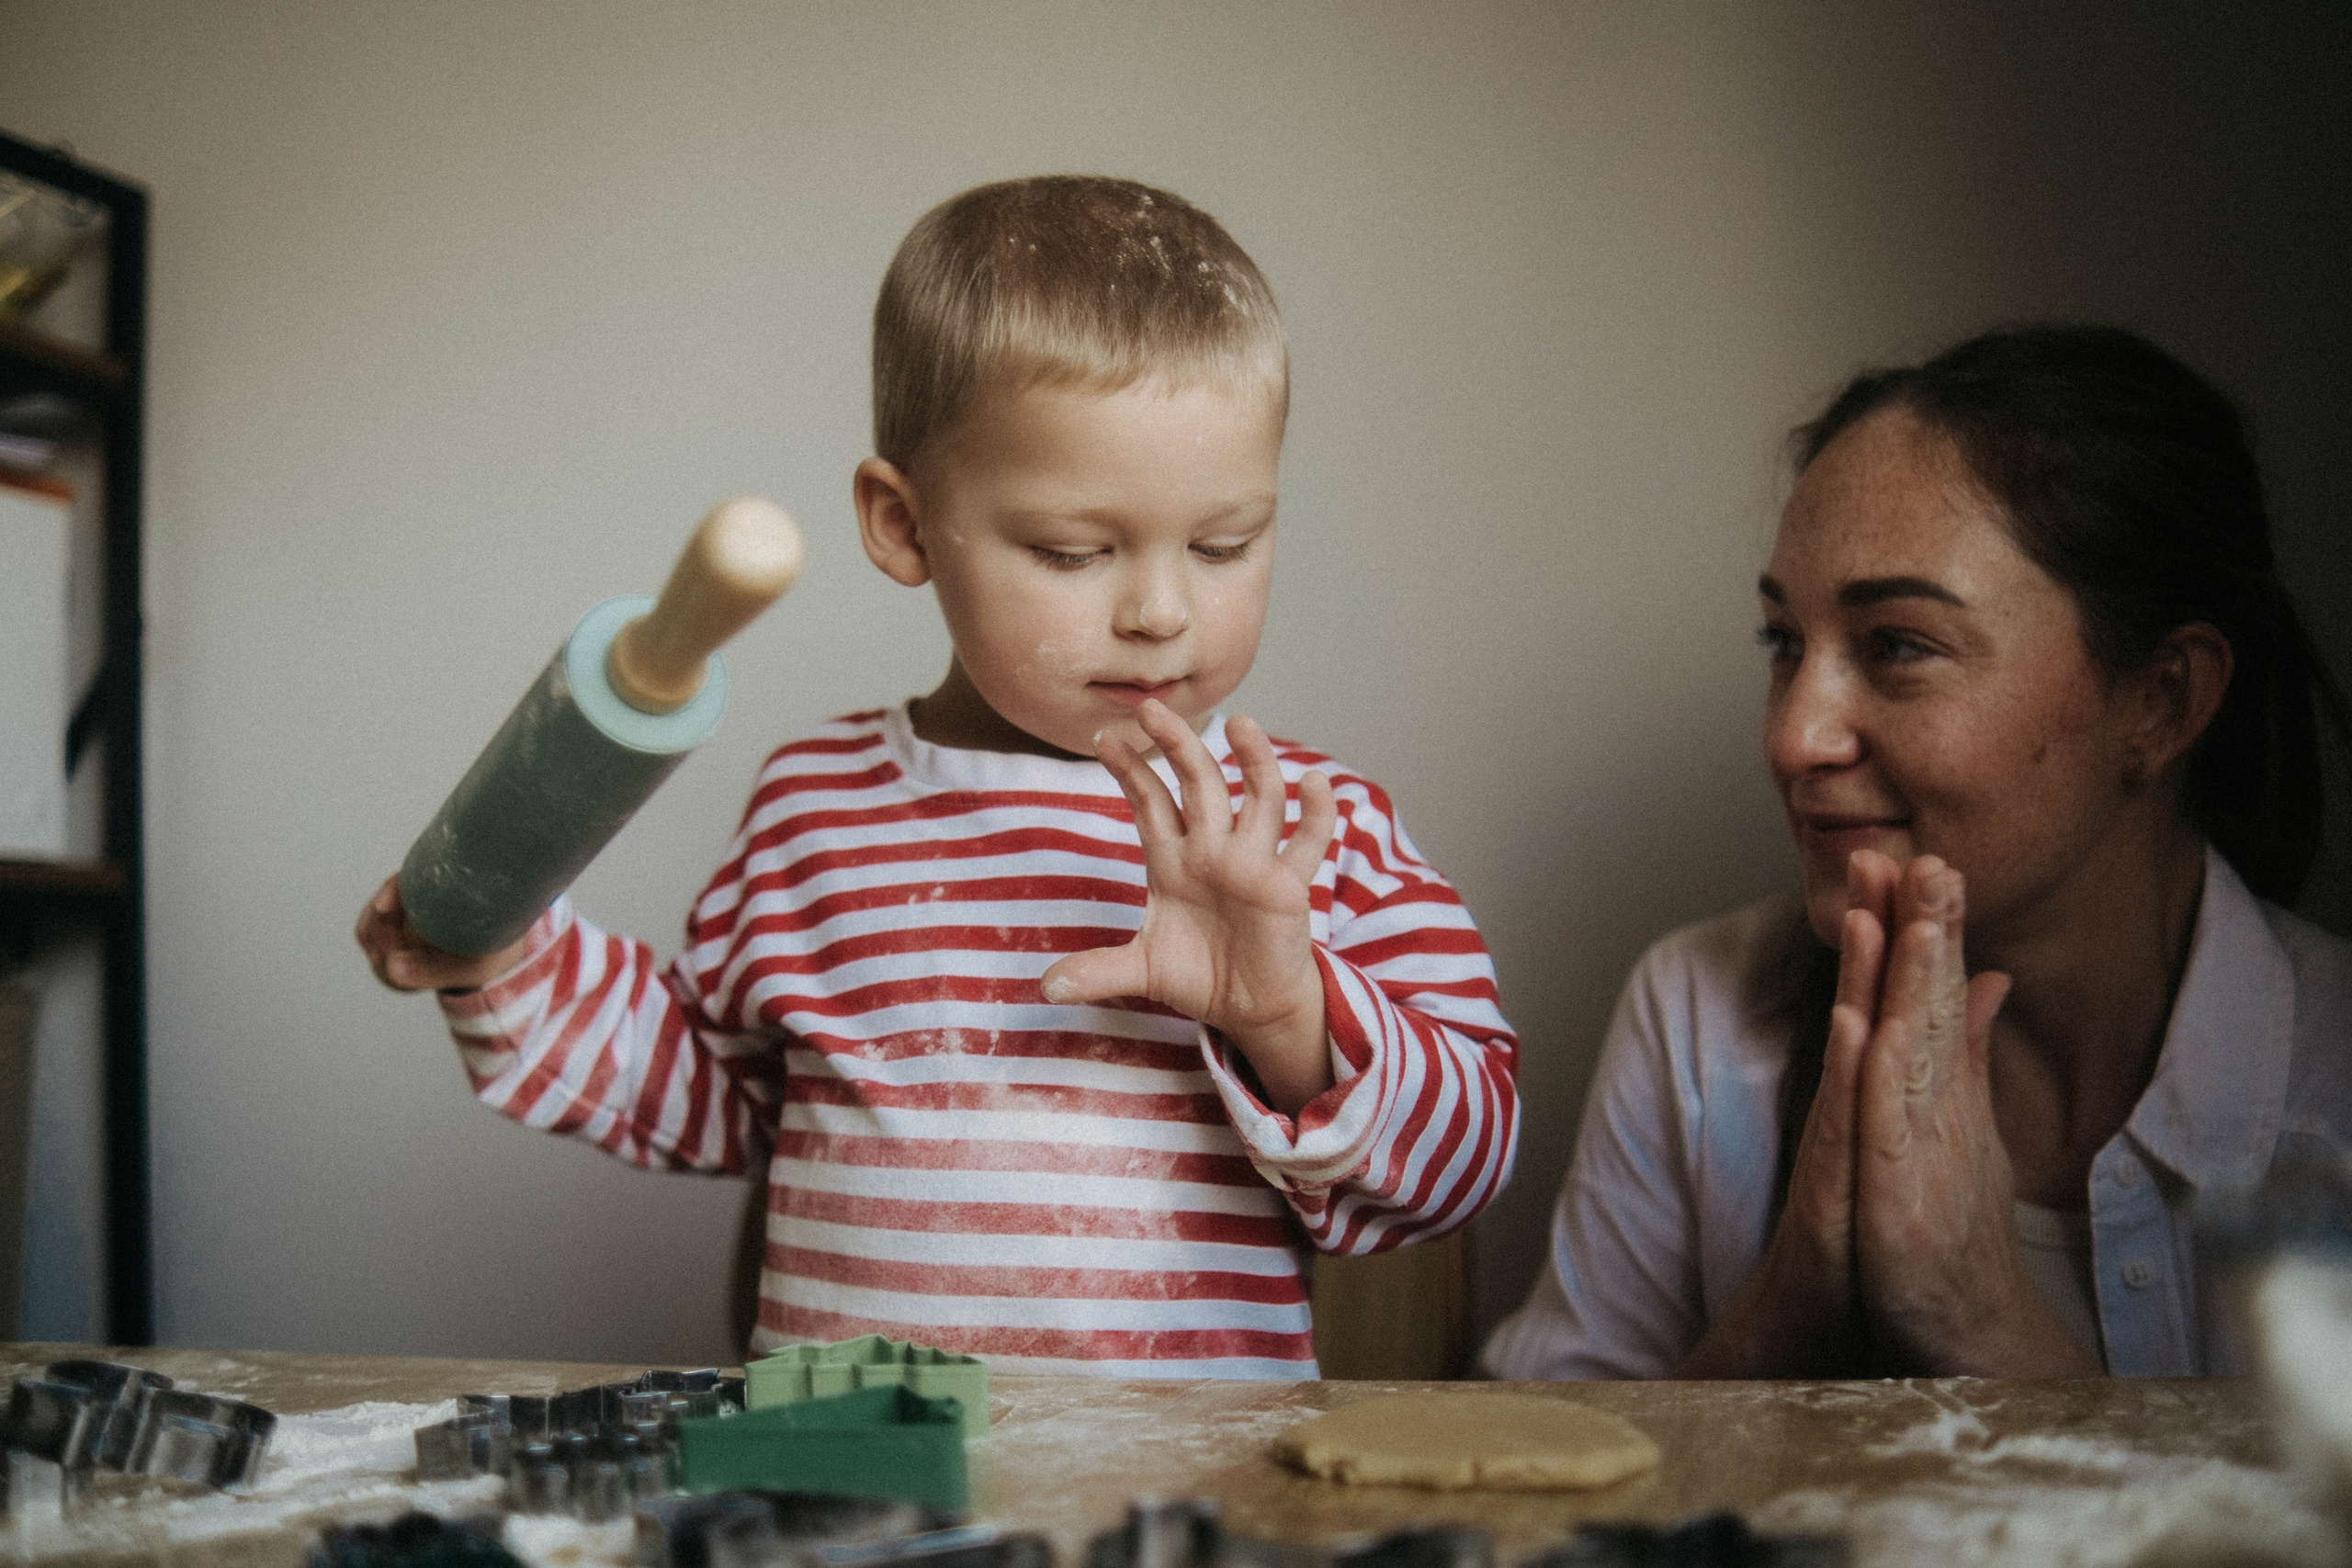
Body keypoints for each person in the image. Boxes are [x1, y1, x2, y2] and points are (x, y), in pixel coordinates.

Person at [358, 175, 1520, 1377]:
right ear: (904, 525)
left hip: (1174, 1499)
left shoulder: (1300, 832)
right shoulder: (819, 801)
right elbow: (717, 1095)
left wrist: (1290, 1014)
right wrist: (507, 956)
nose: (1163, 611)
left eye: (1225, 543)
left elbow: (1471, 1155)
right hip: (850, 1488)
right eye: (1075, 549)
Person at [1483, 324, 2352, 1380]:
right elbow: (1533, 1516)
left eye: (1897, 645)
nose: (1793, 737)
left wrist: (1978, 1321)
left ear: (2160, 703)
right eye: (1782, 644)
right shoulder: (1700, 1023)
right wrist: (1785, 1313)